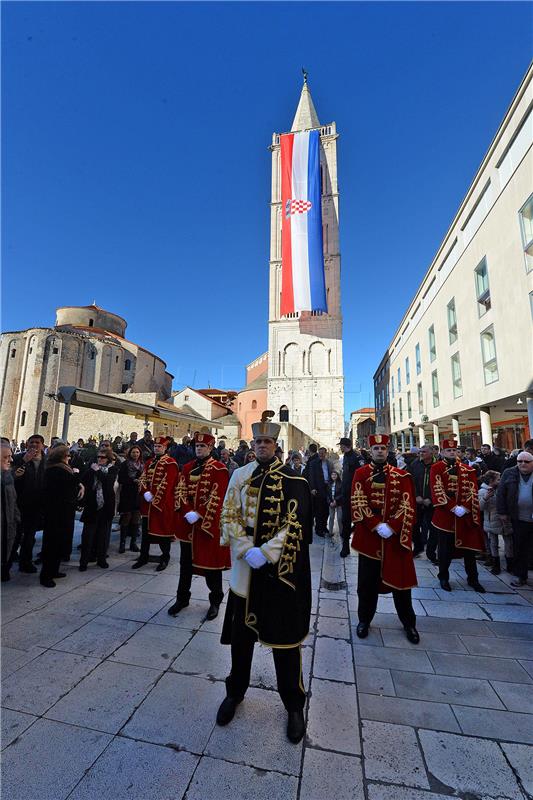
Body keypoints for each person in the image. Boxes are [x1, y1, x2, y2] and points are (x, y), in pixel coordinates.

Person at [217, 411, 312, 744]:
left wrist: (268, 553)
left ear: (276, 445)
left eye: (267, 441)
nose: (261, 446)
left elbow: (296, 524)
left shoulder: (294, 480)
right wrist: (245, 550)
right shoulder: (239, 475)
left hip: (277, 576)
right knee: (241, 643)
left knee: (285, 645)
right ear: (252, 444)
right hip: (245, 574)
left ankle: (294, 706)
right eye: (257, 441)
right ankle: (235, 692)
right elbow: (228, 514)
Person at [351, 434, 419, 644]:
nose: (380, 451)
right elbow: (357, 501)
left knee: (401, 584)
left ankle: (409, 623)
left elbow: (408, 505)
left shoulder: (402, 476)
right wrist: (375, 525)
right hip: (369, 539)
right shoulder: (360, 473)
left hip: (394, 538)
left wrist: (392, 527)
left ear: (388, 450)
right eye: (376, 448)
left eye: (383, 448)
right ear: (370, 451)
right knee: (366, 585)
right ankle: (364, 620)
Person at [169, 432, 230, 621]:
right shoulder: (186, 467)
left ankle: (215, 600)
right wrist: (188, 511)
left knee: (212, 566)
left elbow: (218, 495)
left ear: (211, 448)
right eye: (197, 446)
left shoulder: (219, 469)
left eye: (203, 447)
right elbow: (180, 489)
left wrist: (200, 513)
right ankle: (182, 598)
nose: (199, 449)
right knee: (185, 565)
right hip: (188, 525)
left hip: (207, 526)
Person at [430, 439, 485, 593]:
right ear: (442, 452)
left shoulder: (468, 470)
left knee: (469, 550)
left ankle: (473, 579)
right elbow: (437, 490)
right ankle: (443, 577)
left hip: (465, 516)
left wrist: (465, 508)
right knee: (444, 551)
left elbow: (473, 491)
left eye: (454, 450)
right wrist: (453, 507)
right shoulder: (436, 468)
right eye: (448, 450)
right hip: (445, 516)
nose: (452, 453)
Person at [40, 445, 84, 587]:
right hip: (55, 512)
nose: (69, 458)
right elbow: (67, 485)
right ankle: (46, 575)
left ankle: (54, 570)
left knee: (60, 542)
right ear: (62, 457)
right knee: (51, 544)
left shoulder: (63, 469)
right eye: (68, 456)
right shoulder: (56, 470)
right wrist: (76, 475)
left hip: (64, 511)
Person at [132, 437, 178, 571]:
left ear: (165, 448)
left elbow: (168, 483)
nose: (156, 448)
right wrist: (145, 492)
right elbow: (142, 478)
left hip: (162, 504)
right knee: (146, 534)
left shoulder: (171, 463)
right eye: (155, 446)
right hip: (147, 505)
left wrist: (155, 496)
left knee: (163, 533)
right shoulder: (149, 462)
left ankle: (165, 558)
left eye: (159, 446)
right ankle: (143, 557)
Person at [496, 451, 533, 587]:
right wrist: (502, 512)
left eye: (526, 462)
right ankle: (520, 575)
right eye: (519, 461)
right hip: (518, 517)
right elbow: (501, 493)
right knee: (520, 547)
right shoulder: (509, 473)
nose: (522, 464)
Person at [79, 447, 118, 570]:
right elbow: (84, 481)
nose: (100, 459)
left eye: (103, 457)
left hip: (105, 505)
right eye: (98, 457)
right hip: (92, 505)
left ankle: (101, 559)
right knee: (87, 535)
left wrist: (97, 471)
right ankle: (84, 561)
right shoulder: (92, 468)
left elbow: (108, 482)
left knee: (103, 535)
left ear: (108, 459)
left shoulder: (112, 469)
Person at [13, 434, 47, 572]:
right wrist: (24, 461)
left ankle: (25, 562)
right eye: (31, 442)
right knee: (15, 536)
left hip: (37, 505)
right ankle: (6, 564)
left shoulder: (47, 461)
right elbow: (12, 476)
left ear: (42, 445)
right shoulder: (18, 458)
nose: (34, 445)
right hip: (20, 503)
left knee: (30, 536)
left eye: (37, 443)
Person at [479, 471, 513, 575]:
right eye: (498, 479)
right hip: (491, 520)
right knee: (493, 543)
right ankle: (495, 564)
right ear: (491, 481)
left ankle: (510, 564)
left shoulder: (502, 488)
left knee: (509, 543)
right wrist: (485, 498)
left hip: (504, 520)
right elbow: (480, 507)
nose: (500, 481)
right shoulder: (482, 491)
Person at [408, 445, 436, 560]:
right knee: (414, 526)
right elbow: (410, 481)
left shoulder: (437, 465)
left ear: (431, 453)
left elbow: (439, 484)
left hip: (432, 502)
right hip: (417, 501)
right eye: (420, 452)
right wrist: (416, 496)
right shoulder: (415, 464)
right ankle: (418, 547)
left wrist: (430, 498)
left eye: (424, 452)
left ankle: (431, 552)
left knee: (433, 528)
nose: (421, 454)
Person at [338, 437, 363, 557]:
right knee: (345, 521)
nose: (340, 447)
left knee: (359, 521)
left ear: (345, 445)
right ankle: (345, 547)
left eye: (341, 445)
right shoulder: (346, 457)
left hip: (356, 495)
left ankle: (360, 545)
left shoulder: (356, 457)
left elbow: (361, 475)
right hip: (346, 494)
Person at [117, 445, 143, 553]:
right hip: (127, 494)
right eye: (133, 452)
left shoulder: (142, 465)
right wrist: (133, 481)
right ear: (130, 453)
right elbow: (121, 479)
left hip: (137, 494)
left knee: (136, 518)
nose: (135, 454)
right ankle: (122, 543)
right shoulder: (125, 465)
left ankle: (133, 543)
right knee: (126, 518)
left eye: (137, 452)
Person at [1, 442, 20, 581]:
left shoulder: (8, 477)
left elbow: (13, 501)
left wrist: (16, 517)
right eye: (6, 457)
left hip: (8, 527)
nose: (11, 460)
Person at [304, 444, 332, 538]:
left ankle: (324, 527)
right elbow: (311, 476)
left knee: (326, 510)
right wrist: (312, 488)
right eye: (320, 453)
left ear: (326, 454)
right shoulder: (314, 463)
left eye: (323, 453)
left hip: (327, 488)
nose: (321, 455)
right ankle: (318, 529)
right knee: (319, 511)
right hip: (318, 488)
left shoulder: (328, 462)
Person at [326, 469, 343, 537]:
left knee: (339, 518)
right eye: (332, 474)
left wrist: (336, 500)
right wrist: (330, 502)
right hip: (331, 503)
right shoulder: (328, 484)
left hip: (339, 503)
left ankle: (341, 532)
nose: (333, 476)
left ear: (337, 476)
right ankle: (330, 532)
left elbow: (342, 494)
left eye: (335, 474)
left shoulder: (341, 483)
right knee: (331, 517)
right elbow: (327, 494)